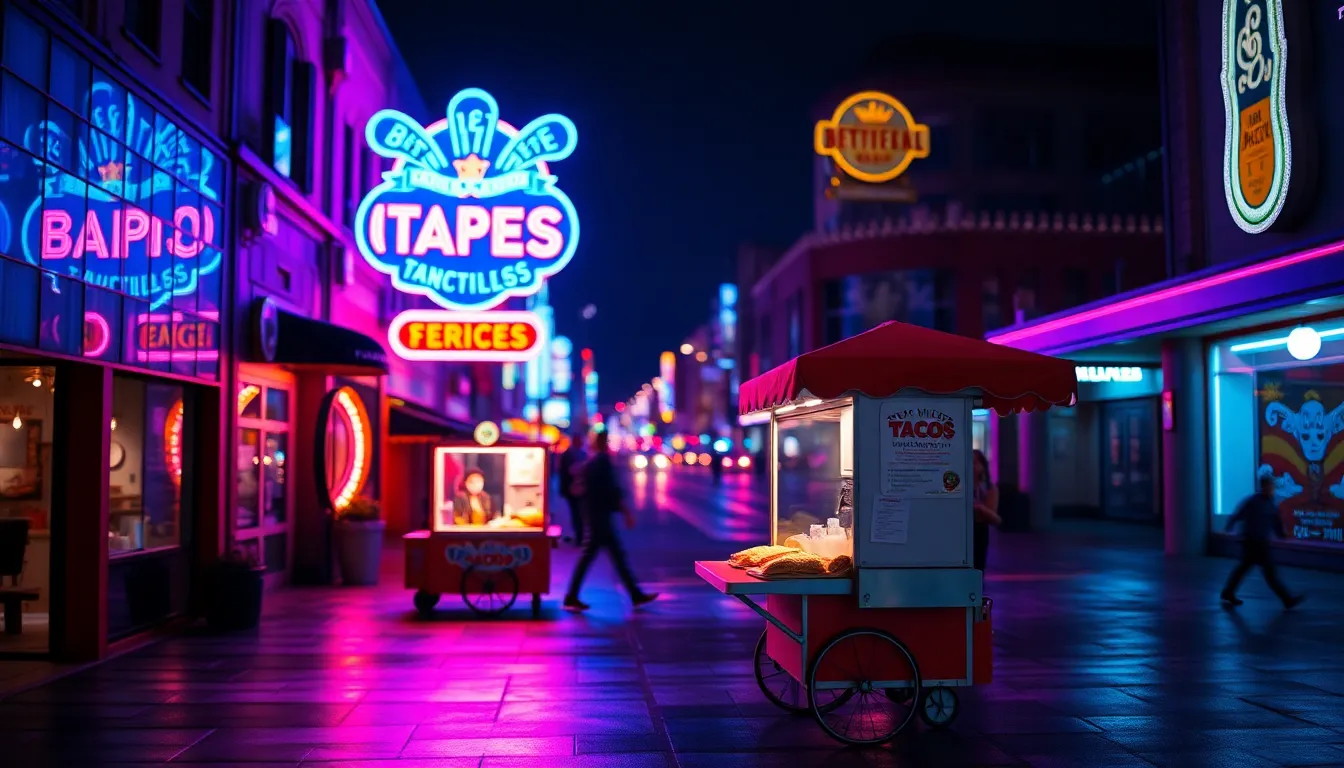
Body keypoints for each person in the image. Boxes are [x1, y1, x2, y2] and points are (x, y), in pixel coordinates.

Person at [563, 430, 658, 611]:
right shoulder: (602, 461)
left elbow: (583, 485)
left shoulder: (592, 461)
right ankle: (572, 596)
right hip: (600, 517)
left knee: (611, 556)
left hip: (595, 515)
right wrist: (625, 511)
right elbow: (611, 490)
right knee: (598, 556)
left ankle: (634, 594)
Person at [1222, 474, 1304, 609]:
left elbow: (1276, 522)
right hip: (1255, 543)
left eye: (1272, 486)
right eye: (1270, 486)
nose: (1272, 488)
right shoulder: (1255, 502)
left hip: (1258, 543)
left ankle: (1228, 592)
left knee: (1244, 568)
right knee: (1268, 573)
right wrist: (1229, 526)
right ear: (1265, 486)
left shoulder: (1268, 503)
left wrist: (1282, 535)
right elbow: (1238, 515)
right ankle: (1287, 600)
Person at [972, 450, 1001, 573]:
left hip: (978, 529)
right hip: (958, 531)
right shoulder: (955, 484)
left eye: (975, 463)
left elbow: (994, 518)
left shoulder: (989, 488)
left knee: (978, 565)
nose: (972, 466)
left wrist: (979, 508)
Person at [557, 429, 588, 545]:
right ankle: (580, 537)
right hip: (574, 490)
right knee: (578, 514)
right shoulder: (573, 454)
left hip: (574, 490)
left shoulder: (573, 453)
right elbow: (570, 471)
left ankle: (580, 536)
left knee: (578, 514)